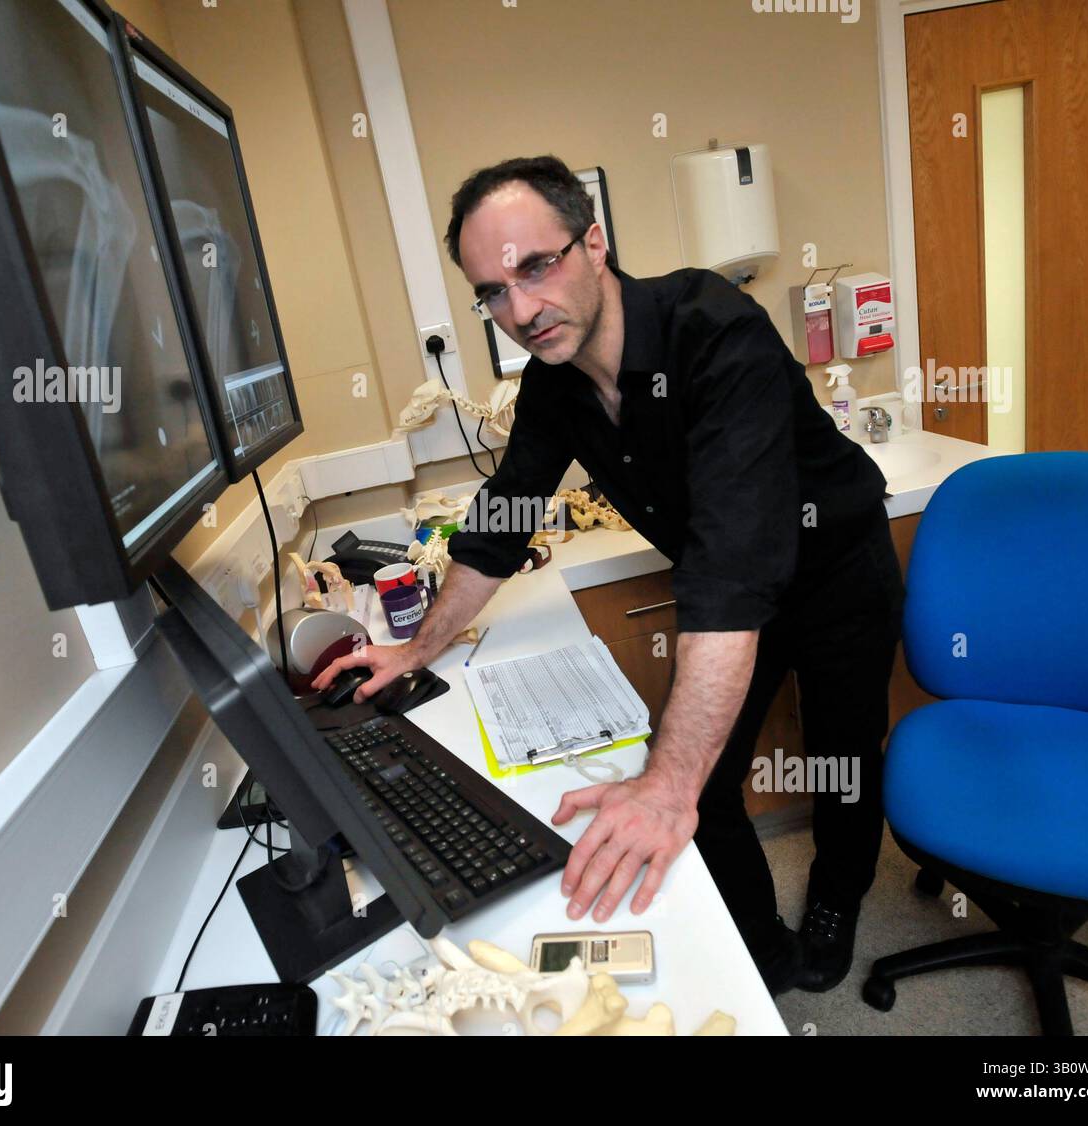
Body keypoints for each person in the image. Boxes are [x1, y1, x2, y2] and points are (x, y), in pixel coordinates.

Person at [311, 155, 904, 995]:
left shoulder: (716, 331)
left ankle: (838, 899)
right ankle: (762, 952)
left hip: (836, 568)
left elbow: (732, 569)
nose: (519, 311)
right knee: (707, 780)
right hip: (732, 592)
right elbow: (505, 518)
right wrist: (415, 649)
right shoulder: (555, 385)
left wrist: (665, 788)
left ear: (594, 243)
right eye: (492, 292)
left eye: (535, 267)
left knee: (841, 757)